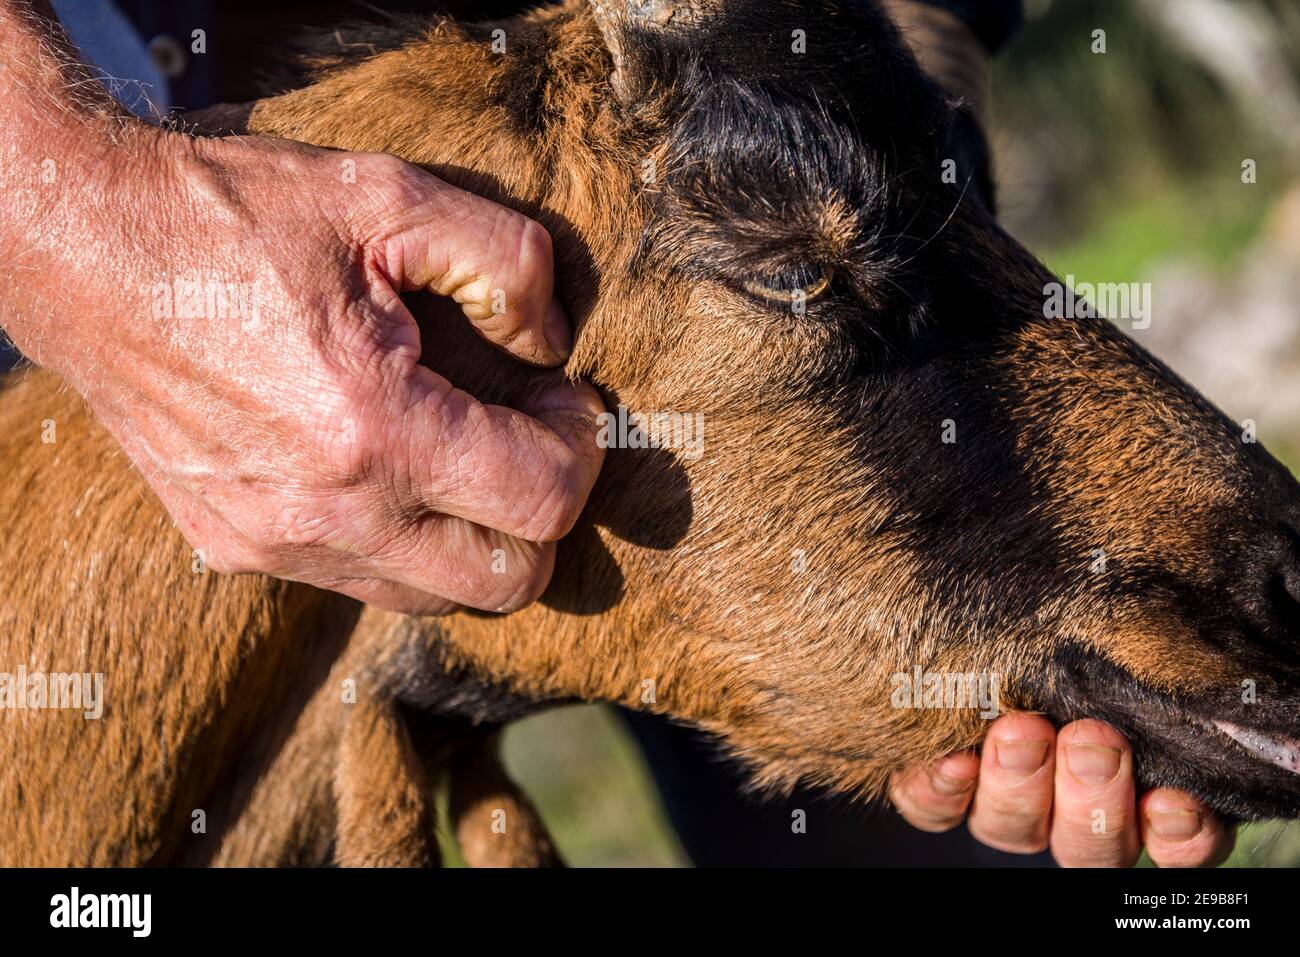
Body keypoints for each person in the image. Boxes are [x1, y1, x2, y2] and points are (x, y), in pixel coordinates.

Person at [0, 0, 1234, 867]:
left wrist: (890, 82)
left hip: (657, 263)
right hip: (186, 241)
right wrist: (75, 209)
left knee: (951, 816)